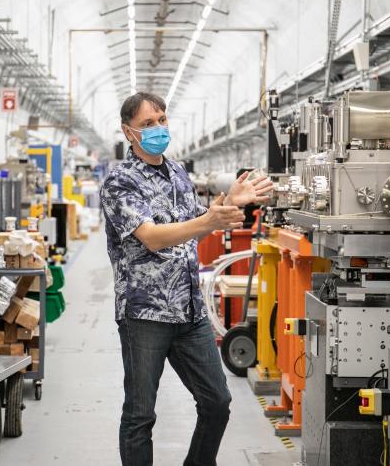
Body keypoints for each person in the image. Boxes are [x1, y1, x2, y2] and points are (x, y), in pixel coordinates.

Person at [101, 92, 273, 466]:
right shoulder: (119, 182)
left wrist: (231, 203)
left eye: (162, 120)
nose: (159, 128)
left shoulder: (178, 172)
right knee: (140, 415)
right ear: (128, 132)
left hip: (189, 311)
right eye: (148, 124)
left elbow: (193, 224)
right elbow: (150, 236)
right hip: (145, 314)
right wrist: (209, 220)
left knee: (218, 402)